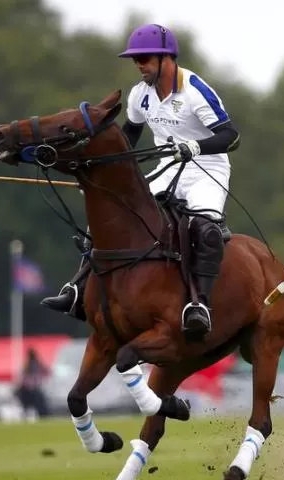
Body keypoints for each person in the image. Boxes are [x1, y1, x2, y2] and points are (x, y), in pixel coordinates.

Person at [40, 23, 241, 340]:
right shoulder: (140, 95)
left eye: (144, 58)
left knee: (204, 228)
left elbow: (231, 136)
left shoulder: (195, 91)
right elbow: (128, 138)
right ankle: (78, 290)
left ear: (166, 58)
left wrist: (196, 146)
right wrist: (103, 174)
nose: (139, 66)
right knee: (115, 213)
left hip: (207, 167)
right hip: (167, 165)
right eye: (135, 60)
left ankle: (199, 306)